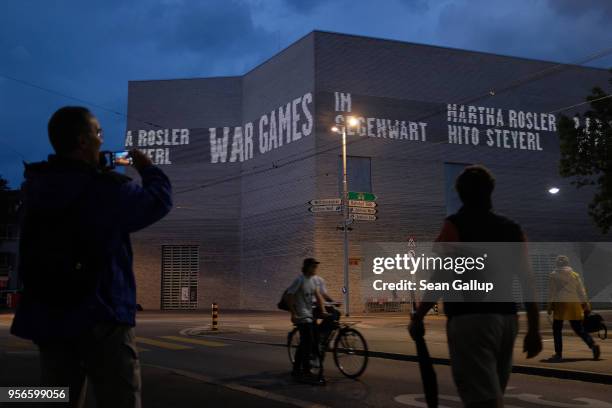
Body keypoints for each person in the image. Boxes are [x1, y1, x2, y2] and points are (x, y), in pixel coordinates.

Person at [11, 106, 172, 408]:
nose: (102, 139)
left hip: (49, 313)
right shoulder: (104, 190)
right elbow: (159, 201)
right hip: (102, 312)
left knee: (56, 395)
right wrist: (147, 168)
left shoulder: (37, 187)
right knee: (119, 398)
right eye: (98, 132)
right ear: (83, 141)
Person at [409, 165, 542, 408]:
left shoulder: (454, 226)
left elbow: (441, 276)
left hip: (471, 320)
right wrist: (534, 329)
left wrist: (419, 315)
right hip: (507, 321)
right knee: (493, 394)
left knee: (482, 400)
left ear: (459, 193)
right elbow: (526, 279)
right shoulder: (512, 229)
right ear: (490, 191)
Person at [547, 255, 600, 361]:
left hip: (560, 305)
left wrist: (549, 307)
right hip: (574, 305)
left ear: (557, 264)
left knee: (557, 329)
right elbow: (582, 292)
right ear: (568, 264)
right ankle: (593, 345)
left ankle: (558, 354)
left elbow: (552, 293)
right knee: (579, 329)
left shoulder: (553, 275)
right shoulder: (575, 275)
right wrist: (586, 306)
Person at [286, 258, 327, 384]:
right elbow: (289, 295)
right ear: (307, 267)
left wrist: (323, 310)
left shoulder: (312, 281)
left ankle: (296, 369)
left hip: (309, 315)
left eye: (316, 266)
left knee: (306, 342)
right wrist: (293, 313)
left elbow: (319, 296)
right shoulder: (299, 280)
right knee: (308, 342)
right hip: (302, 316)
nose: (315, 269)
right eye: (313, 266)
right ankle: (305, 371)